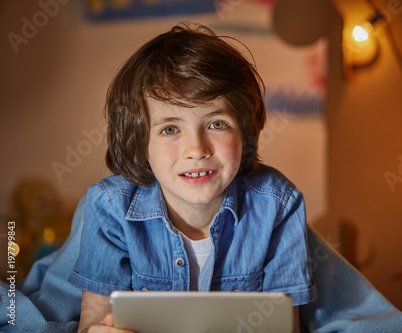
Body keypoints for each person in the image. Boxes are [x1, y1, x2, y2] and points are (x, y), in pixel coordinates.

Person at [67, 23, 316, 332]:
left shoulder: (279, 204)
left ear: (245, 131)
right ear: (139, 141)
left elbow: (286, 326)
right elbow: (91, 323)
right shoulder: (109, 207)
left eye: (217, 124)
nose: (196, 149)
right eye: (170, 129)